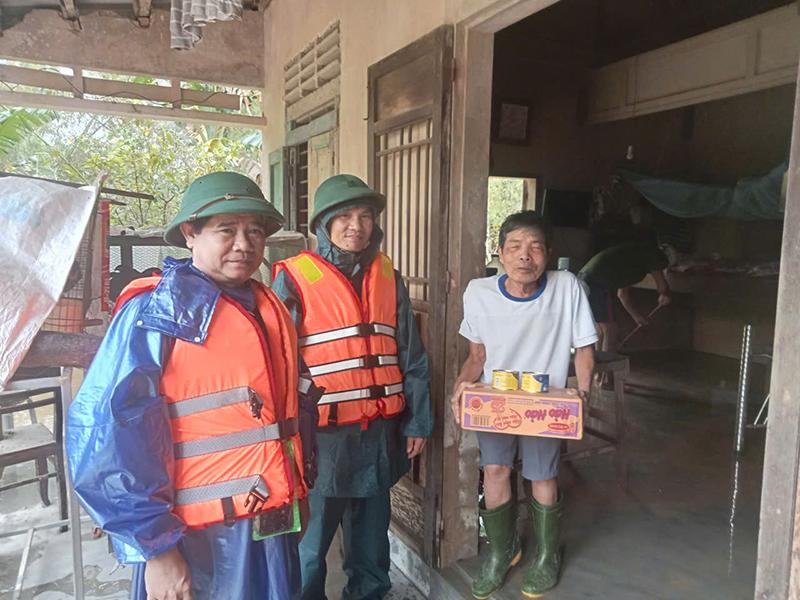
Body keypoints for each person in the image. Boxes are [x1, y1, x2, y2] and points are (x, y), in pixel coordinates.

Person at [67, 171, 319, 600]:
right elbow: (103, 435)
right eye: (227, 229)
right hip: (197, 540)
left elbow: (292, 413)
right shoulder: (158, 312)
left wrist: (297, 488)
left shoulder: (268, 306)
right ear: (190, 233)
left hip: (271, 522)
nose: (244, 244)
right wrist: (156, 548)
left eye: (255, 231)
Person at [272, 174, 432, 600]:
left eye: (365, 216)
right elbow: (278, 364)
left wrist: (418, 421)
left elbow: (411, 354)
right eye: (343, 216)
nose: (355, 226)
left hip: (378, 432)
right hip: (321, 440)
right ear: (323, 224)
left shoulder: (388, 276)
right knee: (310, 549)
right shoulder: (293, 278)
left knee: (371, 545)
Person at [450, 211, 596, 599]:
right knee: (495, 469)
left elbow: (584, 348)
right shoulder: (478, 292)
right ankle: (503, 552)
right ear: (499, 252)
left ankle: (547, 555)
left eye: (535, 247)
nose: (524, 256)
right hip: (495, 401)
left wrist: (583, 394)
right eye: (514, 246)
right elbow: (477, 356)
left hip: (544, 405)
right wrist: (459, 388)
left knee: (541, 475)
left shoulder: (567, 287)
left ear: (549, 253)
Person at [577, 241, 671, 351]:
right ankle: (607, 361)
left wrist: (636, 316)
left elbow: (622, 294)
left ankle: (598, 360)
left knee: (601, 328)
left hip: (583, 280)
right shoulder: (653, 256)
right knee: (610, 329)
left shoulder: (632, 260)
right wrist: (665, 294)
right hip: (596, 283)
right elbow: (662, 285)